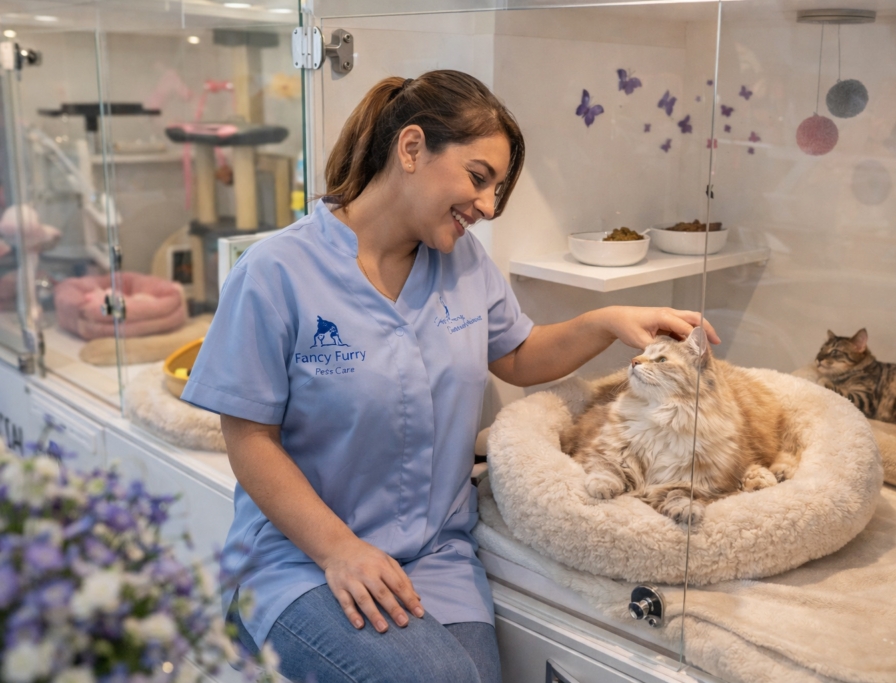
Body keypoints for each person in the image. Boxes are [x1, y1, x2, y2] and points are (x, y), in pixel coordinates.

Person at [182, 70, 719, 683]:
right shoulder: (276, 271)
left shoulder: (463, 262)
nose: (488, 206)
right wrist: (339, 550)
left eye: (496, 189)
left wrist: (607, 321)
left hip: (435, 554)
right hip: (303, 556)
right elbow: (249, 439)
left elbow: (518, 355)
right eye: (479, 177)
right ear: (412, 148)